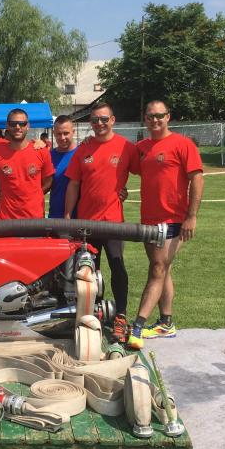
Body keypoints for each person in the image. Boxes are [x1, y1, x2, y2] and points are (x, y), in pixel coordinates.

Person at [127, 100, 204, 350]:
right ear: (145, 119)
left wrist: (191, 216)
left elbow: (197, 179)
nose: (155, 120)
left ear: (168, 117)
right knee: (163, 269)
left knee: (158, 269)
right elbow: (118, 161)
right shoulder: (141, 148)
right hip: (148, 220)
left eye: (159, 115)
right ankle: (166, 323)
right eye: (150, 116)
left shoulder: (183, 144)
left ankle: (138, 325)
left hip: (173, 219)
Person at [64, 102, 139, 342]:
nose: (99, 124)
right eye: (95, 120)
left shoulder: (126, 147)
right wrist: (68, 216)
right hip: (87, 225)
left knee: (117, 267)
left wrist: (123, 191)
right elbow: (74, 184)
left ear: (113, 120)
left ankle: (120, 316)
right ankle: (91, 314)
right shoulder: (84, 149)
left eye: (104, 119)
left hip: (113, 222)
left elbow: (145, 171)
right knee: (88, 273)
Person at [0, 108, 54, 219]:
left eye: (22, 123)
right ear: (7, 126)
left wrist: (35, 196)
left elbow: (49, 181)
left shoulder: (41, 151)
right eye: (13, 124)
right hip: (6, 220)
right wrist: (3, 200)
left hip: (35, 219)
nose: (17, 127)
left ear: (28, 126)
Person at [48, 114, 78, 218]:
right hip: (55, 215)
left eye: (66, 133)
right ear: (53, 134)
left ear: (73, 132)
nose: (62, 138)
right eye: (59, 134)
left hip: (80, 217)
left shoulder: (82, 153)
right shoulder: (49, 156)